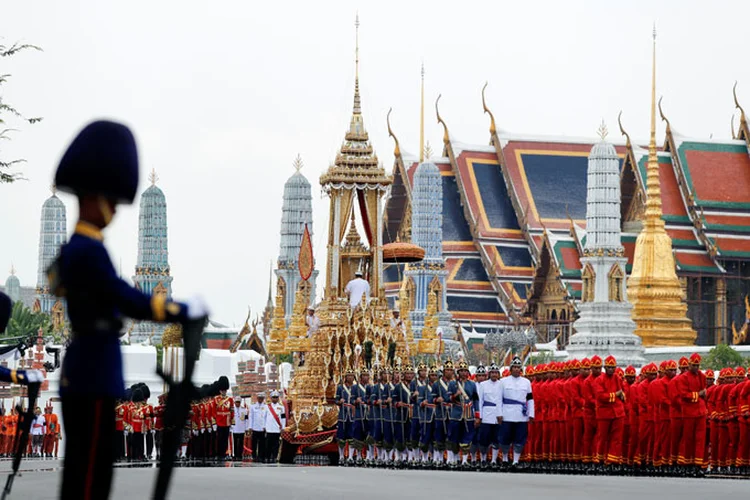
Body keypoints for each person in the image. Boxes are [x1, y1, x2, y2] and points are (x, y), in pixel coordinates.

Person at [50, 120, 207, 498]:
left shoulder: (83, 250)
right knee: (89, 479)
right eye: (111, 200)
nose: (115, 210)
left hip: (92, 370)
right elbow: (126, 296)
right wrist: (174, 309)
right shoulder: (86, 251)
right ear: (93, 197)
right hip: (93, 372)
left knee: (92, 475)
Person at [497, 357, 534, 469]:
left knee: (520, 439)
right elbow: (498, 399)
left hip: (521, 415)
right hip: (507, 414)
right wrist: (499, 413)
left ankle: (516, 461)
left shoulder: (526, 382)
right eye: (515, 367)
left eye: (518, 367)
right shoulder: (503, 382)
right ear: (511, 368)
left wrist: (531, 414)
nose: (517, 369)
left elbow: (530, 399)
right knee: (505, 438)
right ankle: (504, 459)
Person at [478, 363, 502, 469]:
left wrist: (501, 414)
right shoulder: (483, 385)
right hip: (486, 414)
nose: (494, 375)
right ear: (489, 374)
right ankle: (483, 459)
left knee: (496, 439)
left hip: (497, 414)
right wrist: (480, 416)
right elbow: (480, 401)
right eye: (492, 372)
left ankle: (493, 460)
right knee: (484, 439)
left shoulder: (502, 384)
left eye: (496, 373)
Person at [213, 376, 233, 460]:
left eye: (225, 390)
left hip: (227, 422)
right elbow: (214, 411)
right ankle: (218, 454)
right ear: (220, 390)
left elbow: (232, 411)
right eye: (222, 390)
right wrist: (214, 422)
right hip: (219, 421)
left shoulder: (230, 400)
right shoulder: (216, 399)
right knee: (219, 439)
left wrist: (232, 422)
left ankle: (224, 454)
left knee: (225, 439)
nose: (223, 391)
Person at [264, 391, 286, 463]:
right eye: (273, 397)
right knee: (268, 444)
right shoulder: (267, 407)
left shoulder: (281, 407)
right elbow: (264, 417)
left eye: (276, 397)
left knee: (276, 445)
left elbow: (283, 418)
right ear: (271, 398)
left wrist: (283, 427)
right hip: (269, 428)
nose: (275, 399)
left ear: (278, 398)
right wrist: (264, 426)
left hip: (277, 428)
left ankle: (274, 457)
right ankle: (267, 457)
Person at [250, 393, 267, 462]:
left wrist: (265, 426)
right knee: (254, 443)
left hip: (262, 428)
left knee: (262, 443)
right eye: (259, 398)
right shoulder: (253, 406)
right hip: (255, 427)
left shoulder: (266, 407)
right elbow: (251, 417)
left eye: (262, 398)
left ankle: (260, 456)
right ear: (257, 398)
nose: (260, 399)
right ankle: (254, 456)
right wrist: (250, 427)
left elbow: (266, 418)